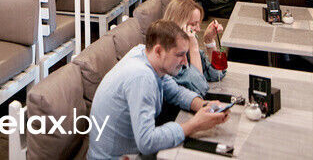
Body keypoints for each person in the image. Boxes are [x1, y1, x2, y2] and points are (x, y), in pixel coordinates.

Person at [88, 20, 229, 159]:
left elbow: (176, 92)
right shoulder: (142, 77)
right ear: (159, 51)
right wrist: (195, 124)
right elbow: (147, 142)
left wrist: (204, 106)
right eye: (179, 55)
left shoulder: (145, 54)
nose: (185, 62)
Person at [162, 0, 226, 96]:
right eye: (193, 24)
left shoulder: (186, 48)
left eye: (199, 23)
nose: (199, 29)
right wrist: (194, 47)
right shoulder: (170, 56)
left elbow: (217, 73)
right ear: (178, 25)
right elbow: (200, 87)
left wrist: (209, 41)